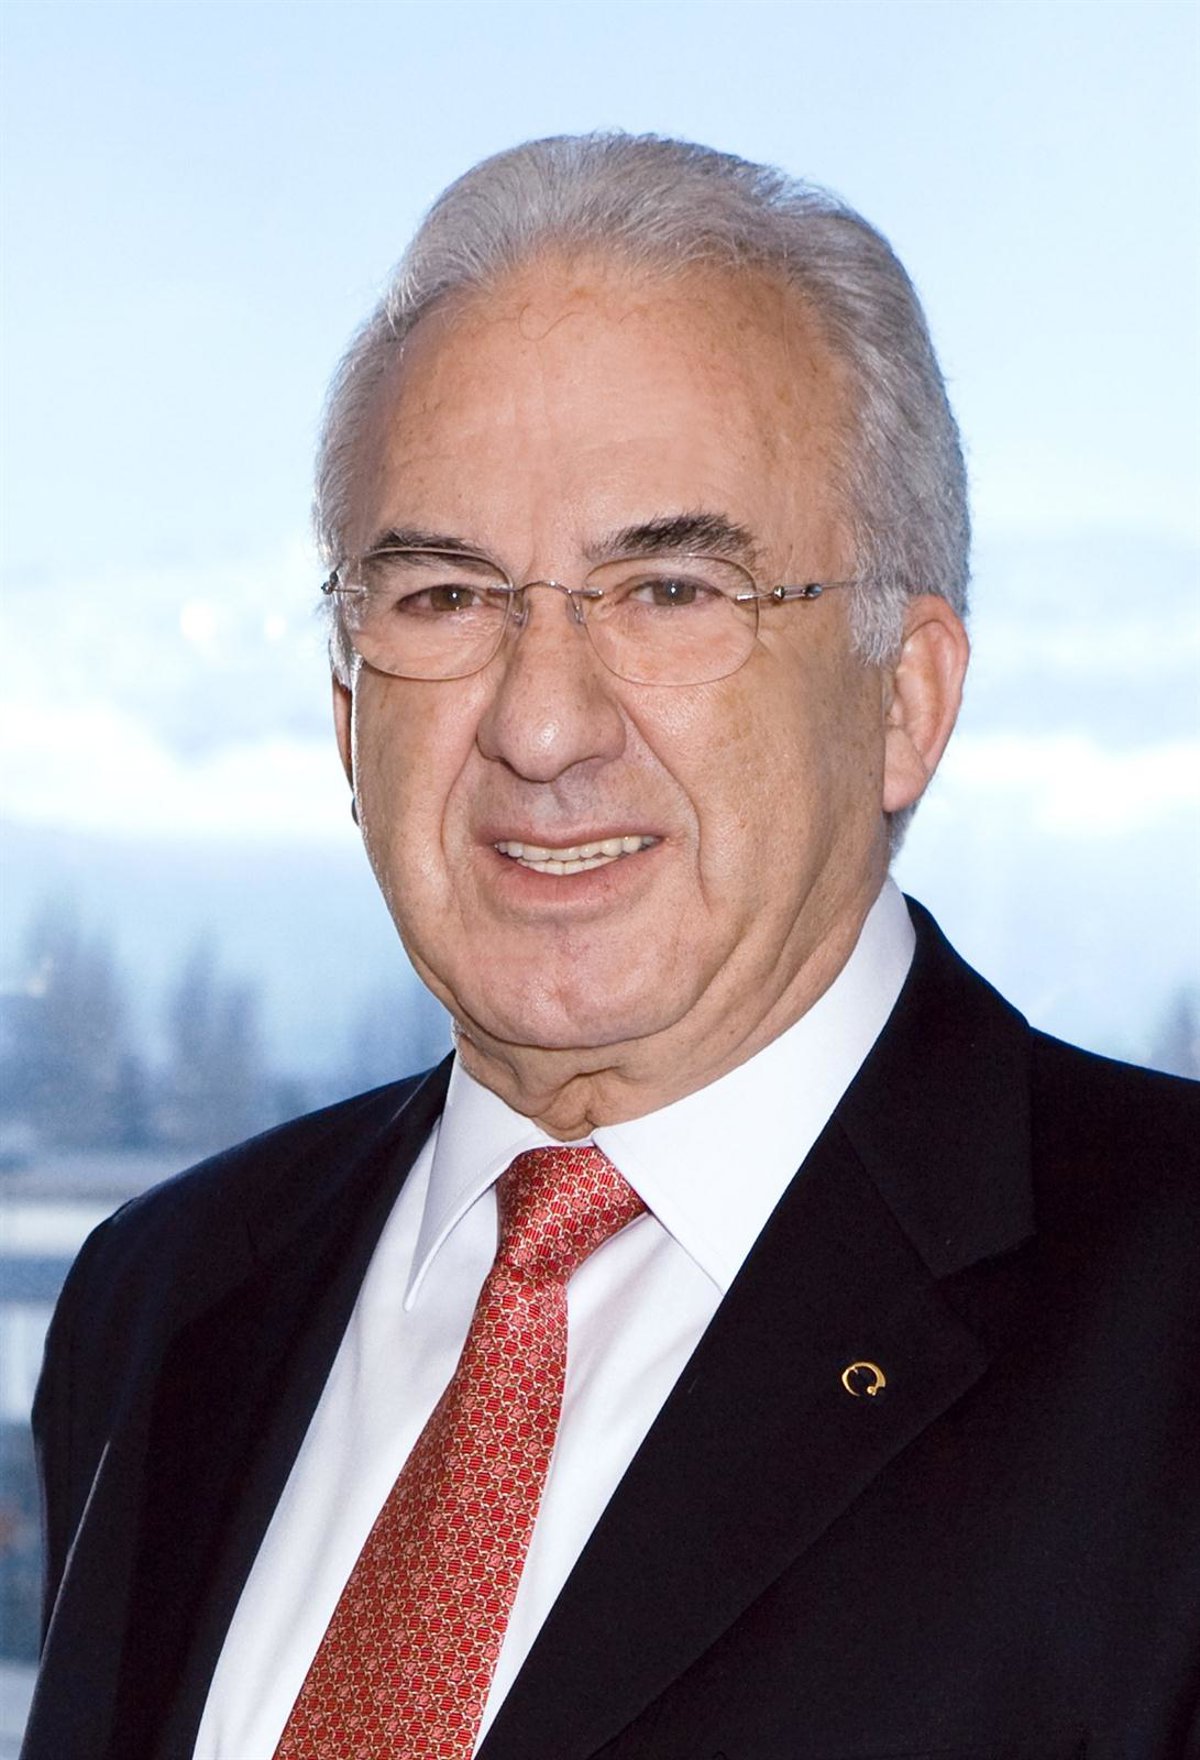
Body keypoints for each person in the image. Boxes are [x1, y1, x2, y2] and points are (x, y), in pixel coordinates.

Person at [23, 134, 1199, 1760]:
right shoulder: (165, 1302)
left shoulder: (1169, 1324)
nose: (543, 723)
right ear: (349, 709)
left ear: (906, 699)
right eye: (444, 598)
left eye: (669, 589)